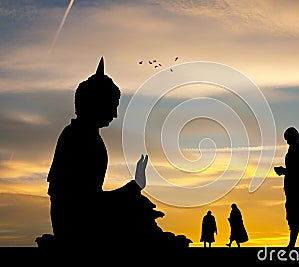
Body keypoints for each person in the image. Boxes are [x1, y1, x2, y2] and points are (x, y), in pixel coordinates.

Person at [46, 57, 191, 254]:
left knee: (138, 207)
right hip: (76, 224)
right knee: (139, 211)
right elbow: (84, 203)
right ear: (95, 103)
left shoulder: (84, 136)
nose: (115, 114)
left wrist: (132, 189)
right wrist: (132, 189)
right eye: (112, 105)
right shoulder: (79, 139)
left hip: (80, 216)